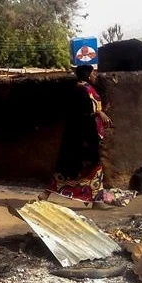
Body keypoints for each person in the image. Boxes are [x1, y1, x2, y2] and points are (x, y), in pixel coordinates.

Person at [50, 65, 112, 201]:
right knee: (85, 165)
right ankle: (96, 199)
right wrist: (99, 112)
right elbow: (83, 111)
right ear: (88, 74)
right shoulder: (81, 89)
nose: (95, 75)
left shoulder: (84, 88)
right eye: (93, 73)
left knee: (78, 166)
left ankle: (96, 199)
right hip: (82, 134)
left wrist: (98, 112)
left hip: (84, 133)